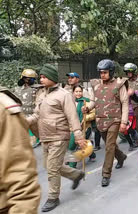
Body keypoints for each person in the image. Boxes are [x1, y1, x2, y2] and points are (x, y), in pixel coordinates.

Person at [27, 64, 86, 212]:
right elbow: (36, 115)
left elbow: (72, 117)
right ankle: (76, 175)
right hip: (45, 136)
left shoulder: (64, 95)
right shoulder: (41, 94)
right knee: (49, 165)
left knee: (52, 168)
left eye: (44, 76)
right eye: (40, 76)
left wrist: (78, 136)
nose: (41, 79)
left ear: (52, 78)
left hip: (59, 136)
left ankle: (53, 197)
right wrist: (22, 121)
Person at [83, 59, 128, 187]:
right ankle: (121, 157)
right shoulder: (96, 84)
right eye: (101, 72)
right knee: (110, 145)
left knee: (109, 146)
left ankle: (106, 174)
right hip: (100, 120)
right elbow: (93, 101)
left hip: (115, 120)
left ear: (111, 72)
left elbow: (124, 103)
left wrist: (124, 122)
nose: (102, 75)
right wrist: (88, 108)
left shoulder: (119, 84)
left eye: (105, 72)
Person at [0, 86, 41, 214]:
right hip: (30, 123)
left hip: (52, 131)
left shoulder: (4, 109)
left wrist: (77, 133)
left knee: (53, 165)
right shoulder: (20, 90)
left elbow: (21, 180)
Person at [64, 72, 101, 151]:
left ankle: (73, 160)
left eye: (72, 78)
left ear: (77, 79)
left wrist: (85, 115)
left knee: (75, 144)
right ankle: (90, 153)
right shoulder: (66, 90)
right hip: (71, 122)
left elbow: (89, 106)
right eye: (69, 78)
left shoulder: (84, 91)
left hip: (83, 123)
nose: (70, 79)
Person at [68, 85, 97, 168]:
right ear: (73, 92)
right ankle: (92, 154)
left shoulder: (86, 101)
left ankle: (72, 165)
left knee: (73, 145)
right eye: (76, 91)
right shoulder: (70, 102)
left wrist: (85, 118)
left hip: (85, 127)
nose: (78, 93)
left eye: (80, 91)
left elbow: (93, 114)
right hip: (73, 127)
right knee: (83, 144)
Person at [14, 68, 42, 148]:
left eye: (31, 78)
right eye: (27, 78)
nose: (28, 80)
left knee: (40, 135)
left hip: (34, 116)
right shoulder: (18, 89)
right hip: (22, 115)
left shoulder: (37, 89)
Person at [124, 63, 138, 140]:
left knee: (137, 123)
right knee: (126, 123)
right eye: (127, 72)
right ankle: (129, 137)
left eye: (130, 72)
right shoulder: (124, 81)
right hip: (127, 104)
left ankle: (137, 139)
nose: (129, 74)